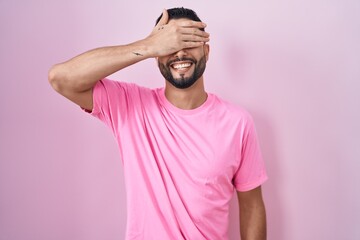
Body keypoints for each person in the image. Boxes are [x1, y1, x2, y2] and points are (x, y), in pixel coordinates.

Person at [48, 7, 268, 240]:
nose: (180, 53)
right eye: (170, 45)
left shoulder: (238, 122)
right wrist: (148, 45)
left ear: (206, 51)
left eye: (189, 42)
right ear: (156, 56)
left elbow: (252, 206)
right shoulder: (129, 105)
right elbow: (61, 78)